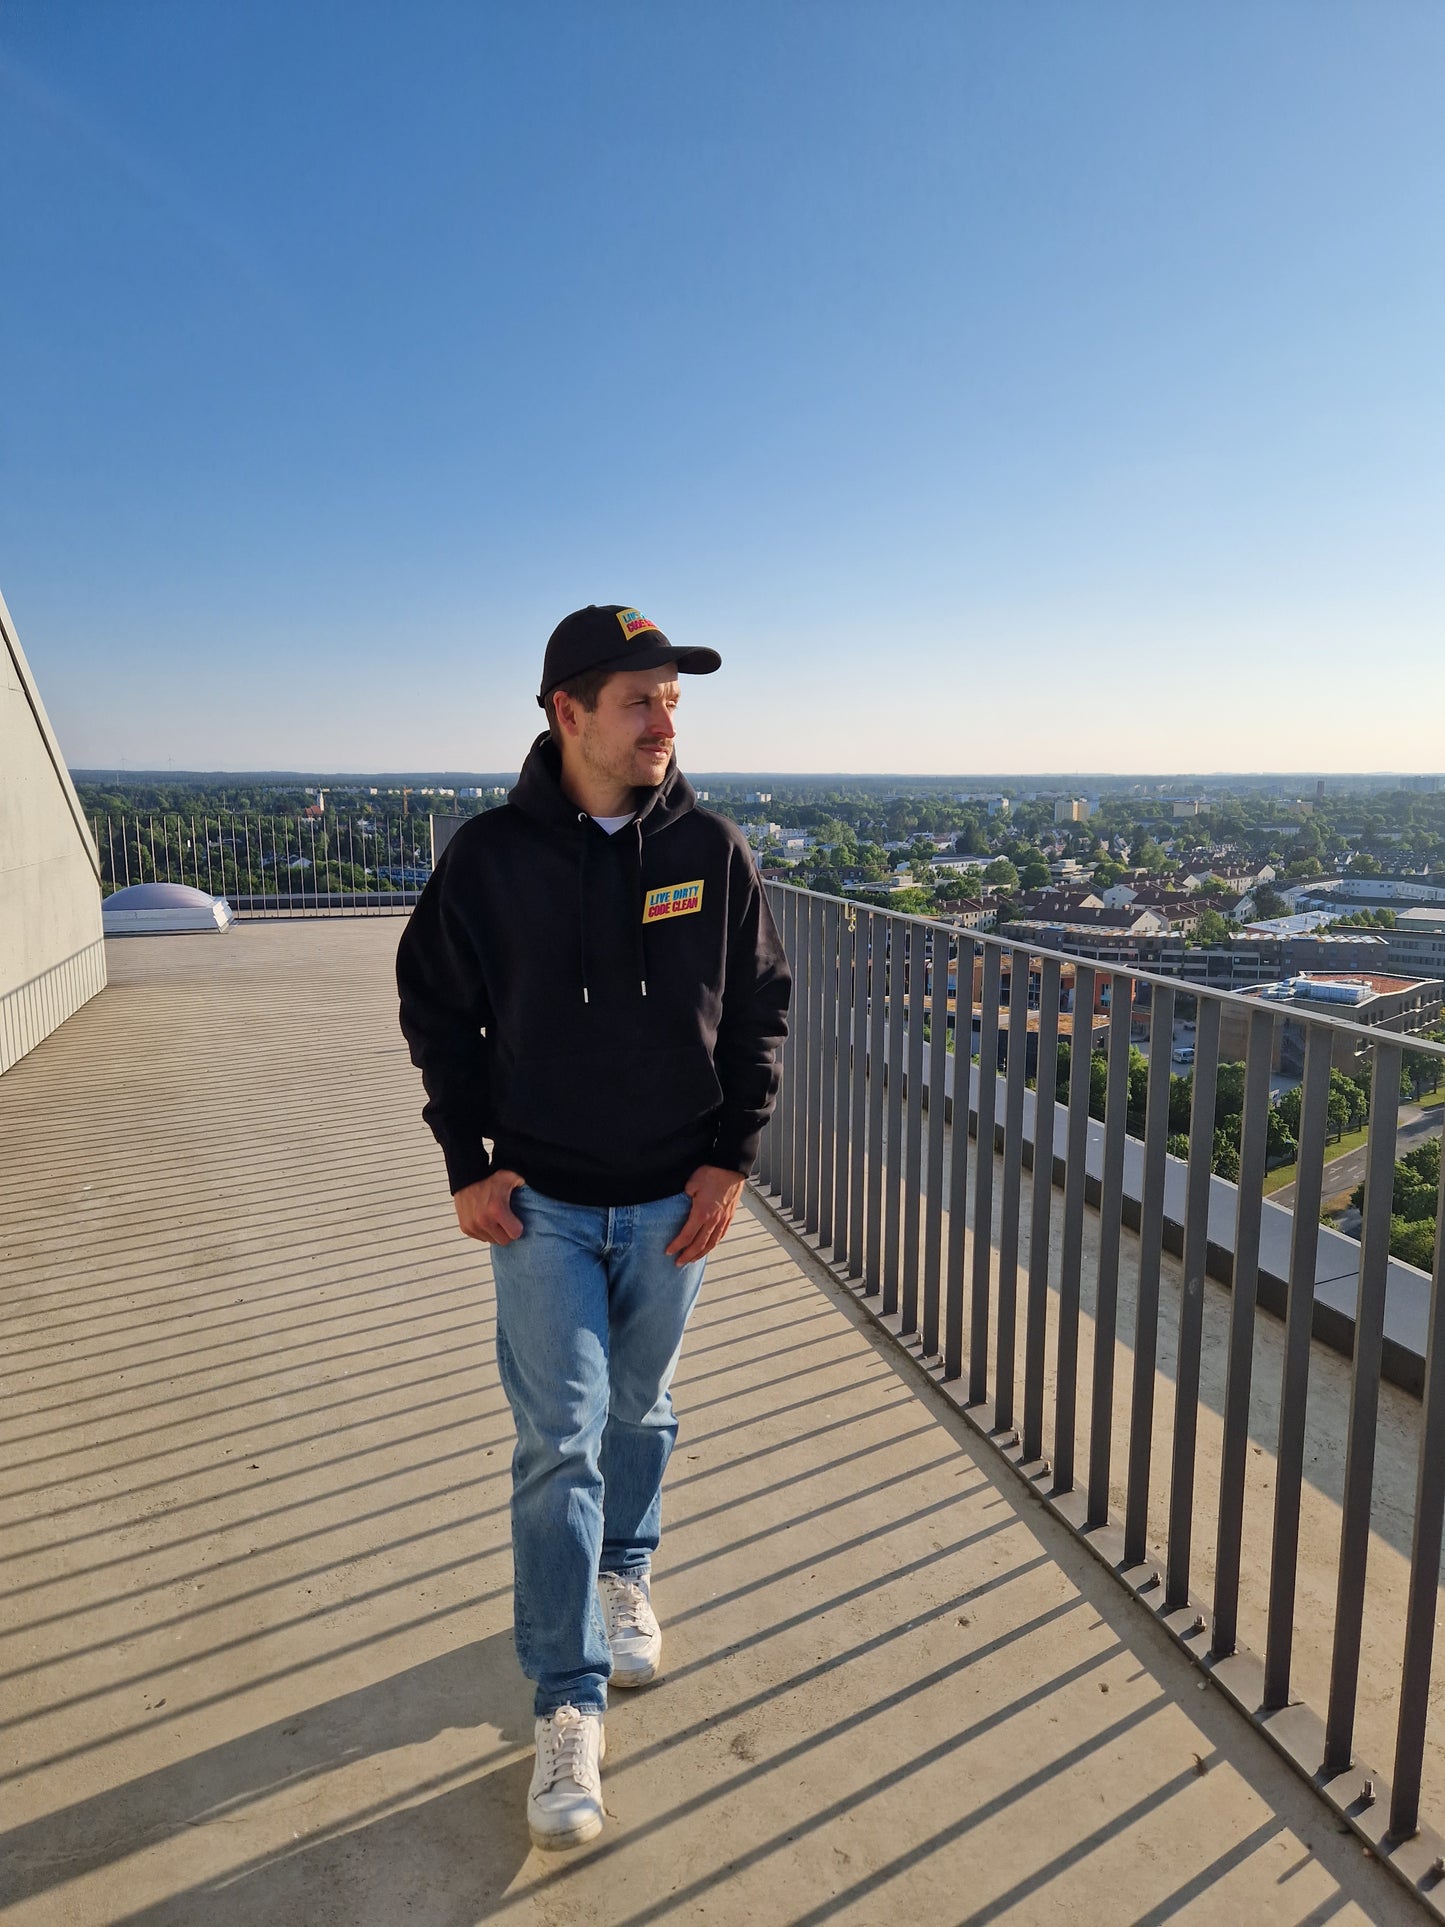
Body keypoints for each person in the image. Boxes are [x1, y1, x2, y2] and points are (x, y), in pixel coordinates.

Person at [396, 604, 791, 1851]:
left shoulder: (712, 849)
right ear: (565, 712)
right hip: (545, 1206)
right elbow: (434, 1008)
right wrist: (467, 1161)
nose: (664, 719)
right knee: (556, 1436)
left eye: (673, 698)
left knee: (642, 1409)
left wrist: (729, 1160)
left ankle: (627, 1569)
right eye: (638, 697)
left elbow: (759, 1010)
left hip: (676, 1200)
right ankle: (566, 1707)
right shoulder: (488, 858)